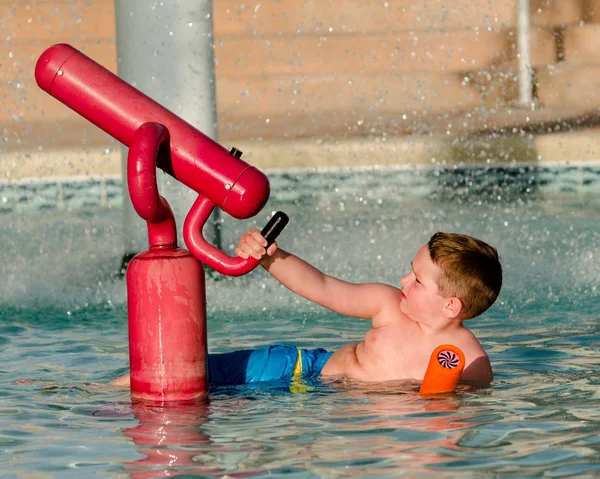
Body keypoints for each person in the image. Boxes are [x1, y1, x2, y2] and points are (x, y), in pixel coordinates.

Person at [110, 229, 501, 389]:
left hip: (322, 410)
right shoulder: (389, 305)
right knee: (185, 378)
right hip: (301, 369)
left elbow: (448, 420)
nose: (403, 280)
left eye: (416, 279)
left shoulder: (470, 362)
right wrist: (271, 257)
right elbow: (325, 288)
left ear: (451, 304)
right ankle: (106, 393)